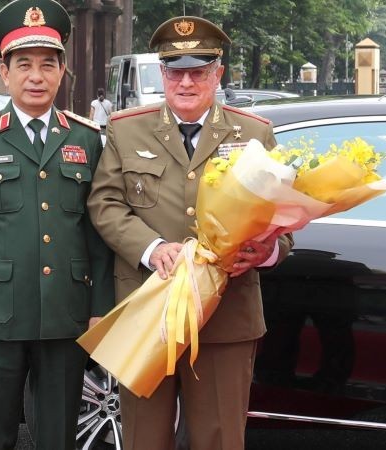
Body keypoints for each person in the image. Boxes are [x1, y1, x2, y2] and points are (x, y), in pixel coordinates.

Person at [87, 15, 293, 450]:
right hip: (147, 309)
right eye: (175, 71)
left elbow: (283, 222)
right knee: (144, 438)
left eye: (198, 71)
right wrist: (151, 247)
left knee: (218, 438)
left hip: (225, 318)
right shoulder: (127, 129)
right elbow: (104, 204)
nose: (186, 82)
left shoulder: (254, 134)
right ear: (162, 74)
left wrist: (265, 251)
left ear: (217, 74)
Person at [0, 0, 114, 448]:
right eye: (25, 65)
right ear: (4, 72)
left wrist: (100, 307)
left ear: (61, 72)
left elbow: (97, 231)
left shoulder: (87, 139)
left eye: (47, 65)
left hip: (66, 316)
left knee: (58, 435)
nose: (36, 76)